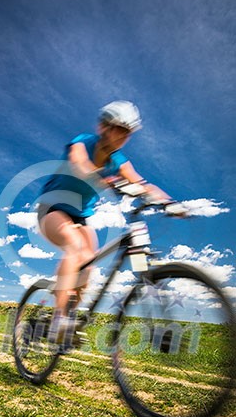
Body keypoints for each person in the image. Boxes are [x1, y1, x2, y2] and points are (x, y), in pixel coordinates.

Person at [37, 100, 171, 339]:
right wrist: (103, 179)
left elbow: (141, 183)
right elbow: (79, 164)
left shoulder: (119, 162)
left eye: (128, 132)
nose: (123, 136)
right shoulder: (83, 142)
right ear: (105, 128)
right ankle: (58, 318)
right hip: (52, 207)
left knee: (88, 264)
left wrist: (169, 202)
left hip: (81, 216)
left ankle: (69, 318)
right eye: (119, 129)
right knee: (74, 247)